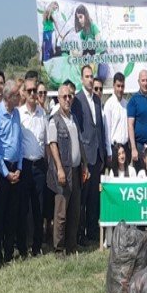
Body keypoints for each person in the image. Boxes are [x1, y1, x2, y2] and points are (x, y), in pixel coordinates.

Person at [47, 83, 87, 255]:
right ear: (58, 98)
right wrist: (59, 169)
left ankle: (71, 247)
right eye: (64, 97)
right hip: (64, 172)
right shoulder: (54, 120)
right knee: (61, 214)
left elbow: (79, 142)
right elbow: (53, 145)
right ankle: (58, 248)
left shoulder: (73, 118)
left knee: (74, 212)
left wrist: (84, 164)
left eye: (70, 96)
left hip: (77, 171)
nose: (68, 99)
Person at [0, 79, 25, 264]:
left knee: (13, 213)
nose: (21, 97)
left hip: (15, 168)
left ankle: (9, 253)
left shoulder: (17, 113)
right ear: (9, 96)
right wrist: (5, 173)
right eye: (18, 94)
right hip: (2, 169)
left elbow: (19, 142)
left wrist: (19, 167)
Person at [74, 65, 107, 245]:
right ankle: (80, 234)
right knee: (83, 199)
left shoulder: (97, 100)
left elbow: (99, 128)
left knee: (94, 197)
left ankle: (93, 232)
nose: (89, 79)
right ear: (81, 79)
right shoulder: (77, 101)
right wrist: (82, 160)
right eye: (86, 76)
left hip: (97, 156)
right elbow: (78, 130)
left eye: (91, 76)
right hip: (85, 157)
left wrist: (102, 154)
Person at [18, 76, 48, 256]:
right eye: (28, 91)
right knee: (24, 208)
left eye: (34, 91)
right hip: (25, 165)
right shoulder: (19, 114)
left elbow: (46, 142)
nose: (32, 94)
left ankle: (37, 246)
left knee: (39, 208)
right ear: (24, 92)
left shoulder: (43, 114)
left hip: (39, 166)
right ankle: (23, 247)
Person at [127, 69, 147, 172]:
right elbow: (130, 125)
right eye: (143, 80)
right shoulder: (133, 100)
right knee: (140, 177)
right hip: (139, 147)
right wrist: (133, 148)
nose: (145, 83)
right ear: (139, 82)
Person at [103, 72, 129, 169]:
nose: (120, 89)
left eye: (122, 86)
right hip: (114, 149)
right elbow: (107, 131)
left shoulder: (126, 104)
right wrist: (109, 152)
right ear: (113, 85)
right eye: (118, 86)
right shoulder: (109, 105)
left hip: (126, 148)